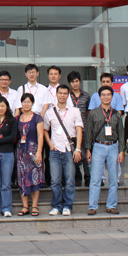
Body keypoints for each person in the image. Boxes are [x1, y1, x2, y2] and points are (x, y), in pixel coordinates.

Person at [84, 86, 125, 215]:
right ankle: (92, 206)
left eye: (108, 95)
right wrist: (88, 149)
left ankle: (111, 205)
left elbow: (121, 134)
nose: (106, 97)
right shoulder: (93, 113)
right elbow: (88, 132)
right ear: (99, 97)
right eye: (103, 95)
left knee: (113, 179)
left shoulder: (117, 114)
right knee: (95, 178)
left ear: (112, 97)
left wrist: (121, 150)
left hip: (113, 147)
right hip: (98, 146)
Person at [43, 85, 83, 216]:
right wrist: (50, 144)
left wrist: (78, 149)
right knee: (55, 180)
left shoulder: (75, 111)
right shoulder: (50, 112)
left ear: (68, 95)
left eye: (65, 93)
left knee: (70, 180)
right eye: (60, 93)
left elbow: (79, 130)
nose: (62, 95)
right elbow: (45, 130)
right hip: (55, 150)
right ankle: (57, 206)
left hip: (69, 150)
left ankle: (67, 205)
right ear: (56, 94)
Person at [16, 92, 44, 217]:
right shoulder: (17, 118)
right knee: (22, 177)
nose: (26, 104)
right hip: (21, 152)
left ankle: (35, 206)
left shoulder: (37, 118)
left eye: (28, 102)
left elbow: (40, 136)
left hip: (34, 151)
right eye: (24, 102)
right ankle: (25, 206)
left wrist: (39, 152)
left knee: (35, 177)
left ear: (32, 103)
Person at [67, 71, 91, 188]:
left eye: (76, 81)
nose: (75, 84)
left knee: (86, 153)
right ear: (69, 83)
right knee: (74, 153)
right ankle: (77, 177)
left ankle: (88, 177)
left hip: (84, 128)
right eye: (72, 82)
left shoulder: (86, 96)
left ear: (80, 81)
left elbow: (88, 112)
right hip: (71, 130)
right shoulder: (67, 96)